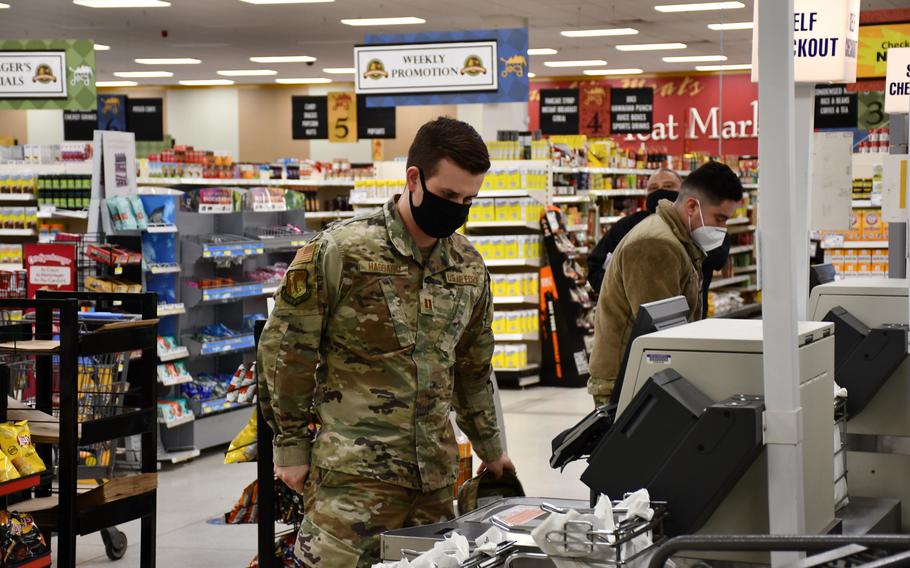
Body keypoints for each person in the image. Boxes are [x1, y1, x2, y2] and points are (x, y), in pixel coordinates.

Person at [257, 117, 515, 568]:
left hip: (433, 484)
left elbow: (472, 371)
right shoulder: (342, 251)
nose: (458, 209)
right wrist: (291, 449)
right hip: (352, 485)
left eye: (469, 200)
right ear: (413, 178)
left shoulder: (468, 267)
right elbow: (285, 353)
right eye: (449, 196)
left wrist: (493, 452)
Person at [587, 161, 743, 407]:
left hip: (642, 376)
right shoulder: (656, 245)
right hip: (627, 381)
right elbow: (661, 337)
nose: (722, 228)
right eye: (720, 218)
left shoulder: (679, 238)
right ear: (692, 206)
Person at [587, 169, 731, 314]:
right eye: (653, 188)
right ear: (646, 194)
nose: (660, 191)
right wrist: (618, 291)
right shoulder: (626, 226)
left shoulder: (699, 223)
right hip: (630, 326)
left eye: (668, 186)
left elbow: (719, 258)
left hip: (689, 322)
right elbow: (595, 265)